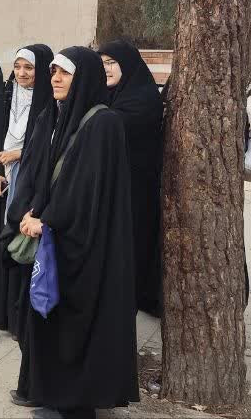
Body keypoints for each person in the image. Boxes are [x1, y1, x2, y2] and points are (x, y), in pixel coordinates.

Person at [13, 46, 138, 416]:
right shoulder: (66, 115)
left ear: (83, 78)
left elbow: (85, 190)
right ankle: (48, 391)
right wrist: (33, 210)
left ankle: (72, 403)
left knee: (74, 324)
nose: (55, 78)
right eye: (53, 71)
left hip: (84, 242)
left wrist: (46, 221)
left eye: (64, 73)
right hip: (60, 236)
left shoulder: (103, 123)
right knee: (49, 317)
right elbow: (52, 174)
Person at [0, 45, 53, 334]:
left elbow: (48, 149)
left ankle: (16, 319)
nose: (21, 73)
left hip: (28, 188)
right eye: (17, 67)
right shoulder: (5, 97)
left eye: (29, 68)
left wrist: (19, 154)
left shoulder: (48, 105)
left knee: (18, 247)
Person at [99, 39, 164, 317]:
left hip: (137, 186)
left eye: (111, 62)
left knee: (131, 243)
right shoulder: (110, 94)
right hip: (116, 183)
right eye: (102, 64)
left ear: (127, 64)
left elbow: (112, 126)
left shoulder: (143, 98)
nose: (106, 69)